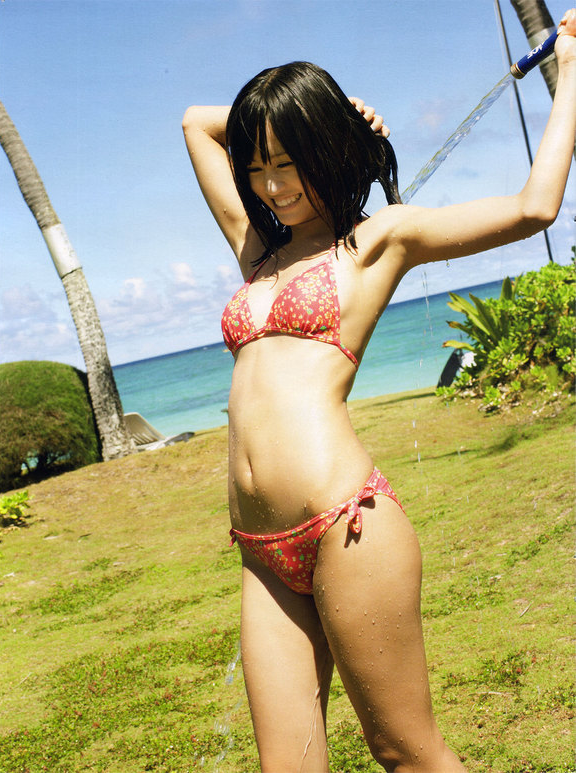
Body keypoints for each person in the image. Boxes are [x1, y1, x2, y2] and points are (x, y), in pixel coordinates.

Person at [183, 12, 576, 772]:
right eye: (257, 167)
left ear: (324, 151)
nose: (270, 185)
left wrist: (573, 66)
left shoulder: (377, 241)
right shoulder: (256, 250)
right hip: (261, 550)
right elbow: (197, 123)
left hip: (346, 524)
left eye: (287, 163)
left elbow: (535, 208)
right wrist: (321, 108)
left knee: (404, 751)